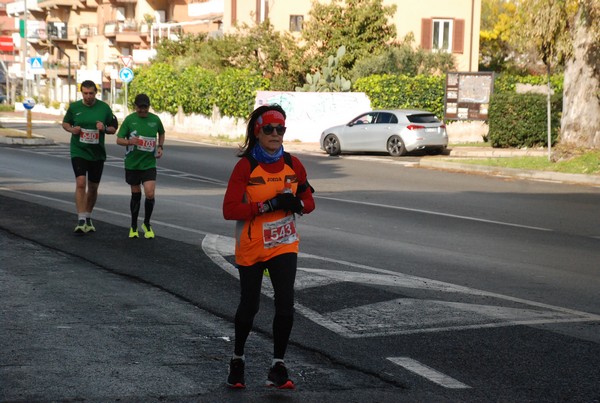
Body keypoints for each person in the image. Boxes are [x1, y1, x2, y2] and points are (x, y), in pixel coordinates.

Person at [222, 104, 315, 389]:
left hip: (284, 244)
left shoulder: (293, 164)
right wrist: (267, 205)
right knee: (249, 306)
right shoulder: (246, 166)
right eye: (269, 129)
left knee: (286, 304)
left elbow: (309, 202)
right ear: (257, 132)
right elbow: (229, 209)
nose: (276, 134)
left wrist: (295, 203)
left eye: (281, 129)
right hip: (251, 246)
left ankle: (278, 365)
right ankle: (237, 360)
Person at [62, 79, 117, 234]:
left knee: (92, 187)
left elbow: (114, 128)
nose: (88, 96)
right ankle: (80, 219)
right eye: (85, 93)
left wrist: (104, 128)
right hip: (79, 150)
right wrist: (72, 130)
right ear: (81, 93)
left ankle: (87, 216)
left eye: (91, 93)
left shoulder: (104, 108)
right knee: (81, 183)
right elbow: (65, 123)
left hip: (97, 153)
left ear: (95, 93)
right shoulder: (74, 107)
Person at [115, 93, 165, 239]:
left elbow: (161, 133)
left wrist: (160, 146)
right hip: (133, 163)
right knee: (136, 194)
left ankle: (147, 223)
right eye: (140, 107)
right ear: (135, 107)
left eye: (145, 107)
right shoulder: (130, 120)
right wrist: (130, 142)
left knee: (150, 193)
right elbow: (119, 139)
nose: (143, 110)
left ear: (149, 107)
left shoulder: (155, 119)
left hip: (149, 163)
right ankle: (134, 225)